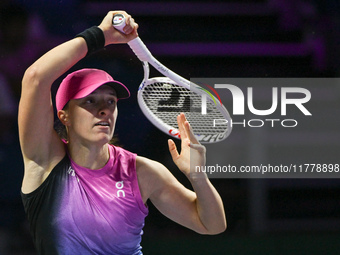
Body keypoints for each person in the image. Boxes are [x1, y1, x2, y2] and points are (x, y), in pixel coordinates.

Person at [18, 11, 226, 254]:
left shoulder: (140, 172)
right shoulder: (44, 163)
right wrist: (100, 36)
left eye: (110, 102)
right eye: (90, 101)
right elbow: (35, 78)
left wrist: (198, 177)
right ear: (65, 117)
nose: (104, 110)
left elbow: (211, 225)